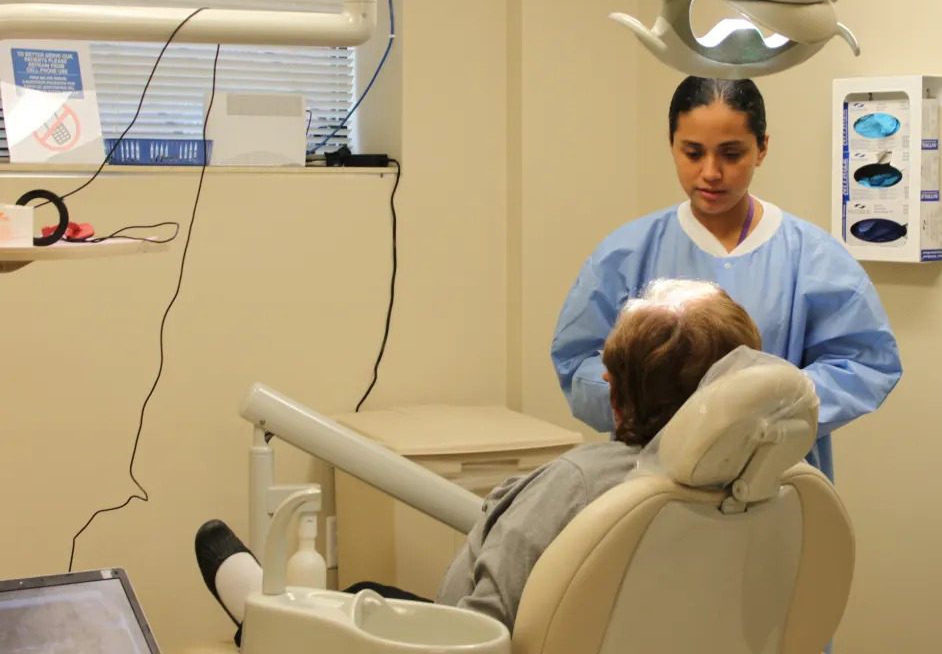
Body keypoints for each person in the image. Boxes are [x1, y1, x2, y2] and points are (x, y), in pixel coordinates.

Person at [195, 278, 763, 641]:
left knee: (317, 614)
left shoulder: (580, 484)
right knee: (368, 592)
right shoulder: (757, 491)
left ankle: (260, 619)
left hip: (455, 639)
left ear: (614, 395)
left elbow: (482, 630)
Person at [551, 75, 903, 485]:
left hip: (771, 483)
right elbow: (577, 363)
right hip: (651, 489)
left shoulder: (812, 257)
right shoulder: (626, 254)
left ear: (762, 148)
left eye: (731, 154)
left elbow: (865, 362)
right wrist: (646, 401)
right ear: (671, 144)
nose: (711, 172)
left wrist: (758, 409)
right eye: (693, 152)